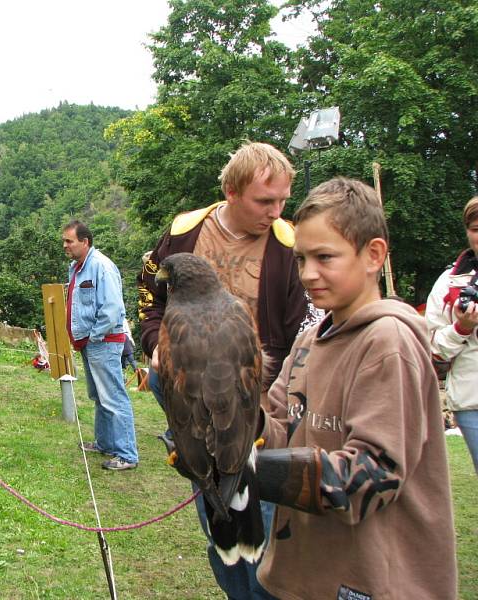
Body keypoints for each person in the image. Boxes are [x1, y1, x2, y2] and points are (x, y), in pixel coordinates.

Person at [256, 177, 457, 599]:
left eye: (325, 257)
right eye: (300, 259)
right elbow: (274, 430)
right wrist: (226, 432)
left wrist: (251, 472)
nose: (308, 274)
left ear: (373, 255)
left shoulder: (388, 342)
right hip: (302, 576)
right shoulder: (309, 341)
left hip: (370, 582)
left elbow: (368, 481)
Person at [137, 141, 312, 598]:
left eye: (282, 201)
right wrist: (158, 347)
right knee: (215, 508)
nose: (275, 212)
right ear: (232, 192)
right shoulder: (184, 233)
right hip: (187, 394)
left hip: (261, 401)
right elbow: (149, 300)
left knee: (261, 514)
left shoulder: (289, 245)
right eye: (264, 201)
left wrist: (280, 404)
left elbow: (305, 332)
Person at [63, 220, 139, 471]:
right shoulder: (75, 268)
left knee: (113, 397)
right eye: (64, 241)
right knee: (99, 395)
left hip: (103, 341)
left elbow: (112, 308)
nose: (65, 246)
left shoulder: (101, 266)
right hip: (89, 342)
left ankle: (127, 454)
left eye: (69, 241)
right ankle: (105, 443)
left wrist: (94, 335)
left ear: (85, 242)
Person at [425, 195, 478, 474]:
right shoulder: (449, 283)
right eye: (476, 229)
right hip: (472, 399)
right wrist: (461, 329)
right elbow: (431, 347)